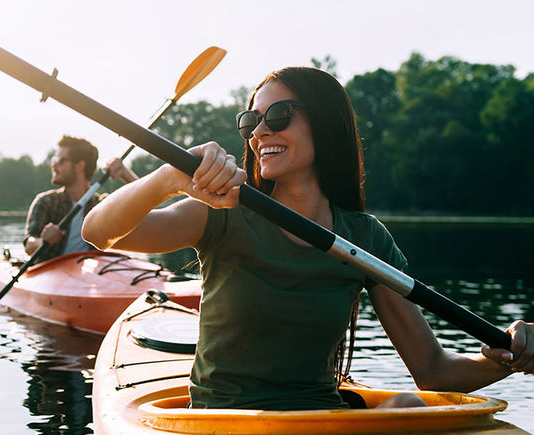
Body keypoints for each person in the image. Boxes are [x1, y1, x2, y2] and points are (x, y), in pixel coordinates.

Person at [82, 67, 534, 411]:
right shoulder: (222, 212)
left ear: (326, 124)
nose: (260, 132)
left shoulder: (365, 238)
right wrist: (166, 179)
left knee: (407, 405)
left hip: (320, 423)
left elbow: (433, 372)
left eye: (277, 116)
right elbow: (98, 232)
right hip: (223, 425)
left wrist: (507, 357)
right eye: (250, 121)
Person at [24, 135, 137, 263]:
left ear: (79, 166)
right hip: (49, 271)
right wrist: (42, 241)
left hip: (88, 275)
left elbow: (146, 205)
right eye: (54, 160)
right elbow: (29, 245)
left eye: (60, 160)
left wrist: (124, 173)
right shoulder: (46, 202)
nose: (54, 165)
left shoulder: (102, 205)